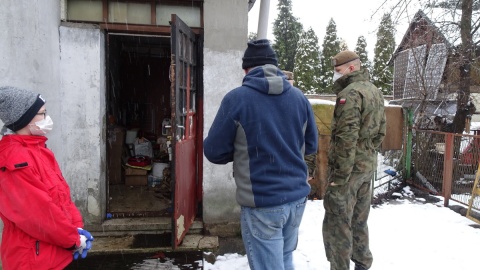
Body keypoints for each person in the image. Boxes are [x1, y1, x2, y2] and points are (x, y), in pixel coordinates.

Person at [204, 39, 318, 270]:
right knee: (284, 260)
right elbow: (311, 145)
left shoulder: (237, 99)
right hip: (296, 199)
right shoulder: (299, 98)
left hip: (262, 202)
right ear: (275, 67)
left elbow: (214, 152)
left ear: (246, 69)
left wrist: (241, 149)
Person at [0, 86, 94, 269]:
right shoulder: (14, 160)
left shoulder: (39, 150)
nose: (47, 118)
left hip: (56, 253)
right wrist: (72, 239)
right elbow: (38, 215)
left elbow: (61, 196)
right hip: (32, 259)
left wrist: (76, 228)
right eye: (42, 114)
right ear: (24, 120)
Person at [322, 51, 386, 270]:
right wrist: (366, 154)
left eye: (338, 70)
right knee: (359, 221)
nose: (335, 75)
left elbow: (346, 139)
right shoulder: (375, 92)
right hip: (366, 169)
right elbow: (381, 133)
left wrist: (339, 177)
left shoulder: (350, 94)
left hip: (347, 173)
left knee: (338, 223)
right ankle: (362, 263)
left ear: (351, 68)